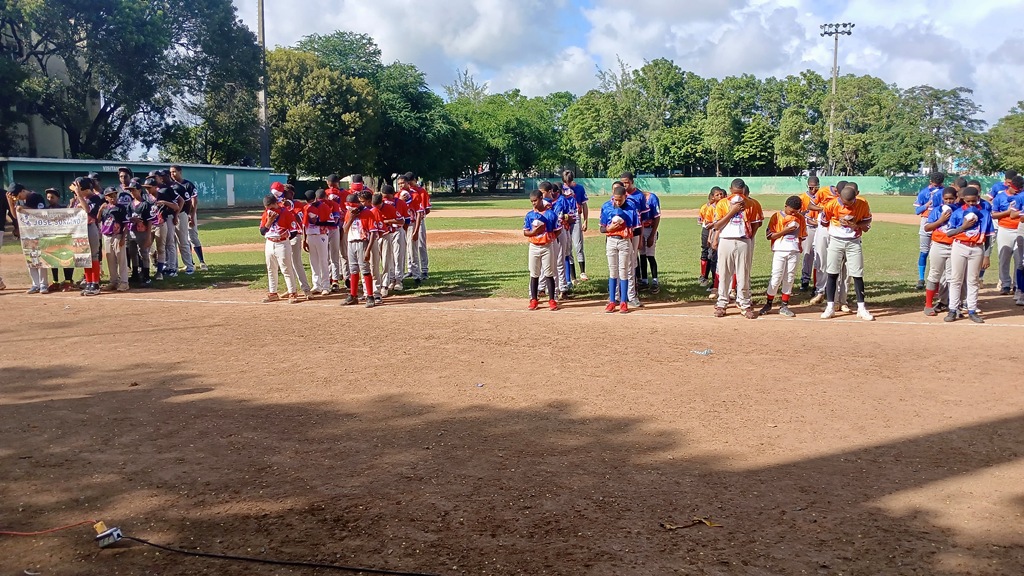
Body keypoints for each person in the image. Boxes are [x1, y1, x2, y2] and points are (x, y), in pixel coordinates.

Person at [820, 183, 874, 321]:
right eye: (845, 203)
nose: (848, 206)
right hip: (836, 240)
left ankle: (861, 308)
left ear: (856, 196)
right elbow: (824, 221)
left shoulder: (862, 204)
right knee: (832, 273)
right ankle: (830, 307)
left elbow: (867, 220)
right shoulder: (831, 205)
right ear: (839, 197)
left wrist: (856, 225)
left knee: (857, 274)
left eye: (850, 203)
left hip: (854, 241)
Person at [711, 179, 760, 319]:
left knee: (743, 274)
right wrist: (732, 211)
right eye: (735, 192)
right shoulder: (722, 203)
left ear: (744, 190)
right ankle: (722, 303)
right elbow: (717, 226)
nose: (737, 195)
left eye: (740, 193)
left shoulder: (751, 204)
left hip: (743, 240)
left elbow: (756, 223)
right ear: (730, 190)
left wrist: (749, 237)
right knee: (724, 274)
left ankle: (744, 304)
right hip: (726, 240)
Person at [943, 186, 994, 323]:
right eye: (968, 201)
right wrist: (963, 227)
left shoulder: (984, 214)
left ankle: (972, 309)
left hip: (977, 248)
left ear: (978, 198)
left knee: (973, 280)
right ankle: (953, 309)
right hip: (960, 246)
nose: (971, 204)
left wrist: (987, 255)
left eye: (974, 201)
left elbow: (989, 237)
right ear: (963, 200)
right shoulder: (958, 213)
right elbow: (949, 233)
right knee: (956, 279)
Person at [760, 196, 807, 317]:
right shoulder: (777, 216)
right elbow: (770, 235)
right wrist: (785, 231)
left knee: (789, 278)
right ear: (786, 206)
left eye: (796, 211)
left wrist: (799, 245)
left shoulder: (800, 218)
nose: (794, 213)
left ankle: (784, 305)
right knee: (776, 277)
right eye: (792, 211)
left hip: (794, 251)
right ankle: (769, 303)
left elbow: (802, 235)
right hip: (780, 250)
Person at [600, 183, 638, 313]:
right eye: (615, 199)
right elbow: (602, 228)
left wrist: (628, 230)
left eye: (620, 199)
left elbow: (635, 228)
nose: (617, 202)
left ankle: (623, 302)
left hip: (624, 241)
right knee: (612, 271)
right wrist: (609, 229)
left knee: (623, 271)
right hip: (611, 241)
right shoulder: (606, 207)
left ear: (625, 197)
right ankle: (612, 301)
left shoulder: (631, 207)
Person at [259, 193, 300, 304]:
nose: (269, 210)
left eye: (271, 207)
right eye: (267, 208)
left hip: (282, 244)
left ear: (276, 204)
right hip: (269, 243)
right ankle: (273, 293)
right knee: (271, 269)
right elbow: (262, 232)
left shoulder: (286, 213)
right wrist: (269, 221)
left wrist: (285, 235)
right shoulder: (266, 214)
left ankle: (292, 292)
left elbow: (294, 231)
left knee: (286, 269)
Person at [523, 189, 558, 311]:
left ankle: (552, 299)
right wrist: (533, 232)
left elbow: (557, 229)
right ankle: (534, 299)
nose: (533, 203)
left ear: (541, 199)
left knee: (549, 273)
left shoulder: (550, 214)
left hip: (546, 246)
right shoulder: (529, 215)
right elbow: (525, 232)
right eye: (531, 201)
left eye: (535, 201)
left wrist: (551, 236)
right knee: (534, 273)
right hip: (533, 246)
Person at [169, 164, 208, 271]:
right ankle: (190, 262)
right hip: (179, 215)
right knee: (182, 239)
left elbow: (194, 201)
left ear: (180, 172)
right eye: (171, 172)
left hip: (189, 213)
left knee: (193, 237)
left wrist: (192, 214)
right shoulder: (171, 185)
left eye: (174, 171)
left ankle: (202, 261)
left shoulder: (188, 184)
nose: (172, 174)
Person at [69, 177, 104, 296]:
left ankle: (95, 283)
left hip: (90, 227)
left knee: (93, 256)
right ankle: (88, 282)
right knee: (84, 257)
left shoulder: (94, 198)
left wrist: (79, 196)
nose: (75, 192)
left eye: (78, 190)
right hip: (80, 229)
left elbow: (88, 210)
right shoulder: (79, 199)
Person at [342, 192, 378, 308]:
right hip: (351, 242)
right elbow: (345, 230)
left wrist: (368, 250)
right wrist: (351, 218)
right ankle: (353, 295)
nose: (350, 209)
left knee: (365, 269)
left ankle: (370, 296)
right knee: (353, 269)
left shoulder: (367, 213)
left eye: (352, 206)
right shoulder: (349, 213)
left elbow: (373, 233)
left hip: (362, 242)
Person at [990, 175, 1023, 298]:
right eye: (1016, 188)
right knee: (1004, 257)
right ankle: (1005, 284)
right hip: (1005, 229)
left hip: (1020, 229)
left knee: (1019, 259)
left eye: (1020, 188)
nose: (1018, 190)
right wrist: (1008, 212)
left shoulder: (1022, 196)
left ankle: (1017, 285)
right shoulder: (1000, 197)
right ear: (1009, 185)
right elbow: (994, 215)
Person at [13, 186, 49, 293]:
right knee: (30, 257)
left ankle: (43, 284)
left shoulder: (35, 196)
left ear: (23, 191)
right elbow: (15, 216)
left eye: (19, 195)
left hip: (38, 231)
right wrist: (12, 204)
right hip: (27, 232)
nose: (18, 198)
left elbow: (41, 212)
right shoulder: (21, 201)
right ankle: (35, 284)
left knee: (41, 257)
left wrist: (24, 208)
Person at [914, 172, 945, 290]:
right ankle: (921, 279)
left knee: (936, 253)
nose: (935, 185)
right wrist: (926, 205)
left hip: (940, 222)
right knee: (924, 252)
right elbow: (917, 211)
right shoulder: (924, 192)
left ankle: (935, 280)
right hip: (927, 221)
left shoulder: (945, 192)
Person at [282, 185, 314, 301]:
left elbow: (303, 223)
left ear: (292, 193)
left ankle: (306, 289)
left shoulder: (299, 205)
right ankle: (291, 289)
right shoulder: (280, 205)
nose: (284, 195)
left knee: (296, 262)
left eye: (287, 193)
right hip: (283, 237)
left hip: (295, 236)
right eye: (283, 193)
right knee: (285, 264)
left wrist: (305, 239)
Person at [620, 172, 647, 308]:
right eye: (622, 182)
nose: (624, 185)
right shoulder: (618, 195)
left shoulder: (639, 196)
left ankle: (632, 295)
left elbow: (642, 219)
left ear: (632, 181)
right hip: (619, 234)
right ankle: (619, 294)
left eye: (626, 182)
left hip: (635, 233)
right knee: (619, 264)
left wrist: (641, 237)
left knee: (632, 262)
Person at [42, 188, 76, 292]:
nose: (49, 199)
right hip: (51, 238)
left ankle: (68, 281)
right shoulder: (45, 210)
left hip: (64, 239)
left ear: (58, 198)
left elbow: (71, 216)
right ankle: (55, 281)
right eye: (48, 197)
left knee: (66, 258)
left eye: (52, 197)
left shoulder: (63, 208)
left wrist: (70, 206)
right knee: (53, 259)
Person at [539, 181, 569, 299]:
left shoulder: (561, 201)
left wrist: (565, 218)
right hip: (547, 234)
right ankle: (542, 287)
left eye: (542, 192)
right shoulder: (543, 203)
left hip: (559, 231)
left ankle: (562, 287)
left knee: (559, 261)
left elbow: (569, 216)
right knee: (544, 262)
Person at [126, 178, 157, 287]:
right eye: (130, 190)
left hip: (143, 232)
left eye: (133, 190)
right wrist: (131, 219)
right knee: (133, 253)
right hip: (132, 231)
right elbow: (127, 217)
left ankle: (146, 276)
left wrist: (148, 236)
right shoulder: (130, 204)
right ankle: (135, 274)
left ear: (139, 190)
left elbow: (149, 221)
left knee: (144, 253)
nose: (132, 192)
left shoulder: (145, 204)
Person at [99, 187, 130, 292]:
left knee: (121, 259)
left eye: (114, 195)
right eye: (110, 196)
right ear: (106, 197)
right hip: (107, 236)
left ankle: (124, 282)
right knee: (110, 260)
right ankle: (113, 281)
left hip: (118, 236)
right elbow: (98, 220)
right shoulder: (104, 208)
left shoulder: (121, 208)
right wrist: (100, 209)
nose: (113, 198)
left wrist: (123, 238)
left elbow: (126, 224)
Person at [561, 170, 589, 282]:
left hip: (576, 217)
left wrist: (586, 221)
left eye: (568, 182)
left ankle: (582, 272)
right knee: (568, 248)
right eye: (565, 182)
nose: (566, 184)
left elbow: (584, 205)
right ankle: (573, 277)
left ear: (572, 179)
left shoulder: (579, 188)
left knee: (578, 245)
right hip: (565, 219)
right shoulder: (561, 189)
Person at [303, 189, 332, 295]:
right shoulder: (306, 207)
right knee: (313, 261)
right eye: (308, 201)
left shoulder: (323, 207)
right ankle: (316, 285)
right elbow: (304, 225)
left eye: (311, 200)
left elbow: (331, 222)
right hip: (310, 235)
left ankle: (326, 286)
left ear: (315, 198)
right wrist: (304, 239)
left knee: (323, 260)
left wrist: (317, 221)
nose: (310, 202)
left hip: (321, 235)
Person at [376, 186, 404, 297]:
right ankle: (391, 280)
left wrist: (387, 221)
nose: (385, 199)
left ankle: (399, 280)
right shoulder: (378, 205)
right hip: (384, 234)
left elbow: (402, 220)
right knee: (387, 258)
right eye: (383, 197)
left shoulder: (399, 203)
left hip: (396, 231)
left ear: (393, 194)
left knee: (398, 256)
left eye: (388, 196)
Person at [406, 172, 431, 280]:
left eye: (410, 181)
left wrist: (419, 215)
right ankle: (410, 269)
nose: (409, 184)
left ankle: (424, 270)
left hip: (419, 221)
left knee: (421, 245)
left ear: (415, 180)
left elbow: (427, 209)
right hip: (408, 222)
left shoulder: (421, 192)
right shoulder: (405, 193)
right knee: (408, 246)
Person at [323, 175, 346, 291]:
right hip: (326, 229)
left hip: (335, 227)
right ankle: (330, 279)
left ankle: (335, 280)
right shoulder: (324, 196)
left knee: (334, 254)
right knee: (328, 255)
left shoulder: (337, 204)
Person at [699, 187, 724, 289]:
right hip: (710, 232)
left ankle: (719, 283)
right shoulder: (707, 207)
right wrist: (709, 237)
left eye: (721, 194)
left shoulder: (725, 206)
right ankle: (705, 277)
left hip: (721, 233)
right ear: (712, 197)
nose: (720, 196)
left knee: (718, 257)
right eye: (717, 195)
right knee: (709, 255)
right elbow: (706, 223)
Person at [799, 177, 821, 291]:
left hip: (820, 228)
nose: (813, 189)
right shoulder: (802, 198)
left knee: (819, 255)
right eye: (811, 187)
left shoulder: (822, 197)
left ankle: (818, 282)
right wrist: (808, 220)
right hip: (809, 228)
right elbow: (798, 214)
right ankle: (805, 279)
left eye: (815, 187)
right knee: (808, 254)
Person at [640, 185, 662, 293]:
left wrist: (652, 235)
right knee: (642, 256)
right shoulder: (636, 198)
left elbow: (657, 217)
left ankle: (655, 281)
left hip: (649, 229)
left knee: (650, 256)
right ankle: (644, 280)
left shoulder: (652, 198)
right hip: (640, 230)